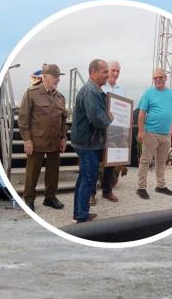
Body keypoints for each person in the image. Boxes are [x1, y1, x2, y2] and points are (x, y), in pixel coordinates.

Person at [18, 63, 68, 212]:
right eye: (55, 76)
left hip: (55, 141)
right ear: (44, 77)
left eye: (59, 77)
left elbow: (63, 120)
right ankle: (29, 199)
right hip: (36, 141)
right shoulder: (31, 93)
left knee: (53, 173)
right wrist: (27, 139)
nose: (57, 79)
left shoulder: (60, 98)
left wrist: (64, 138)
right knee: (32, 172)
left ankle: (50, 197)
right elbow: (23, 119)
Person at [71, 59, 113, 223]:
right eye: (104, 72)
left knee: (84, 177)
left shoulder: (94, 90)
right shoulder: (91, 91)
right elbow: (97, 119)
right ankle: (81, 215)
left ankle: (80, 212)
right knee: (88, 178)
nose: (107, 75)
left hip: (88, 141)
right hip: (88, 143)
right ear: (93, 72)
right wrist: (109, 119)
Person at [136, 69, 172, 199]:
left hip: (166, 134)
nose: (158, 80)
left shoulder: (171, 94)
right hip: (151, 133)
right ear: (153, 79)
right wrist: (140, 130)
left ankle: (160, 186)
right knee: (145, 161)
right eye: (155, 78)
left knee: (161, 162)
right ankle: (141, 187)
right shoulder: (148, 93)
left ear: (165, 78)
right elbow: (142, 113)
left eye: (160, 77)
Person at [93, 60, 123, 204]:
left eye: (118, 71)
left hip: (114, 132)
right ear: (106, 71)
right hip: (99, 131)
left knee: (111, 163)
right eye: (113, 70)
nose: (115, 73)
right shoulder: (99, 88)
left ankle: (107, 191)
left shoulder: (120, 90)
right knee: (95, 162)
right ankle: (91, 193)